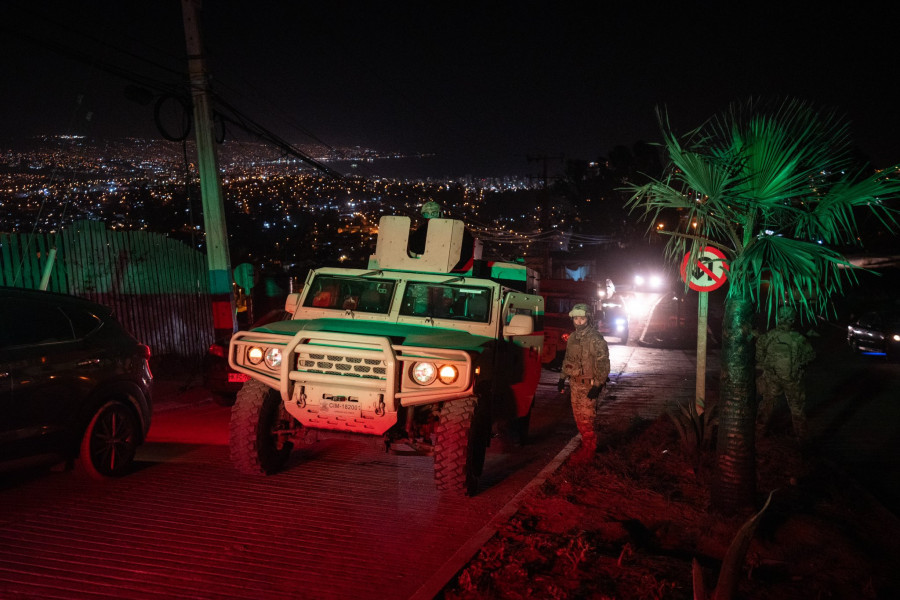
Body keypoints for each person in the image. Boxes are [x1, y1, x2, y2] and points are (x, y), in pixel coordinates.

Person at [755, 305, 816, 442]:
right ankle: (802, 439)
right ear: (792, 320)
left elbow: (759, 356)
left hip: (772, 378)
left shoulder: (769, 336)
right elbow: (810, 356)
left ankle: (758, 434)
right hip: (793, 380)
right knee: (797, 409)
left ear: (778, 318)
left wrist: (768, 365)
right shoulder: (799, 339)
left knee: (767, 406)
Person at [557, 303, 611, 455]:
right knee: (579, 419)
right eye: (576, 319)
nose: (579, 322)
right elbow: (568, 359)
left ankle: (589, 451)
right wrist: (562, 378)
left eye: (582, 318)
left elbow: (603, 362)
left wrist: (598, 385)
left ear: (588, 319)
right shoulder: (573, 337)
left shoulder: (596, 339)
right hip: (575, 384)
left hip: (589, 385)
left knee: (587, 420)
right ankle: (586, 447)